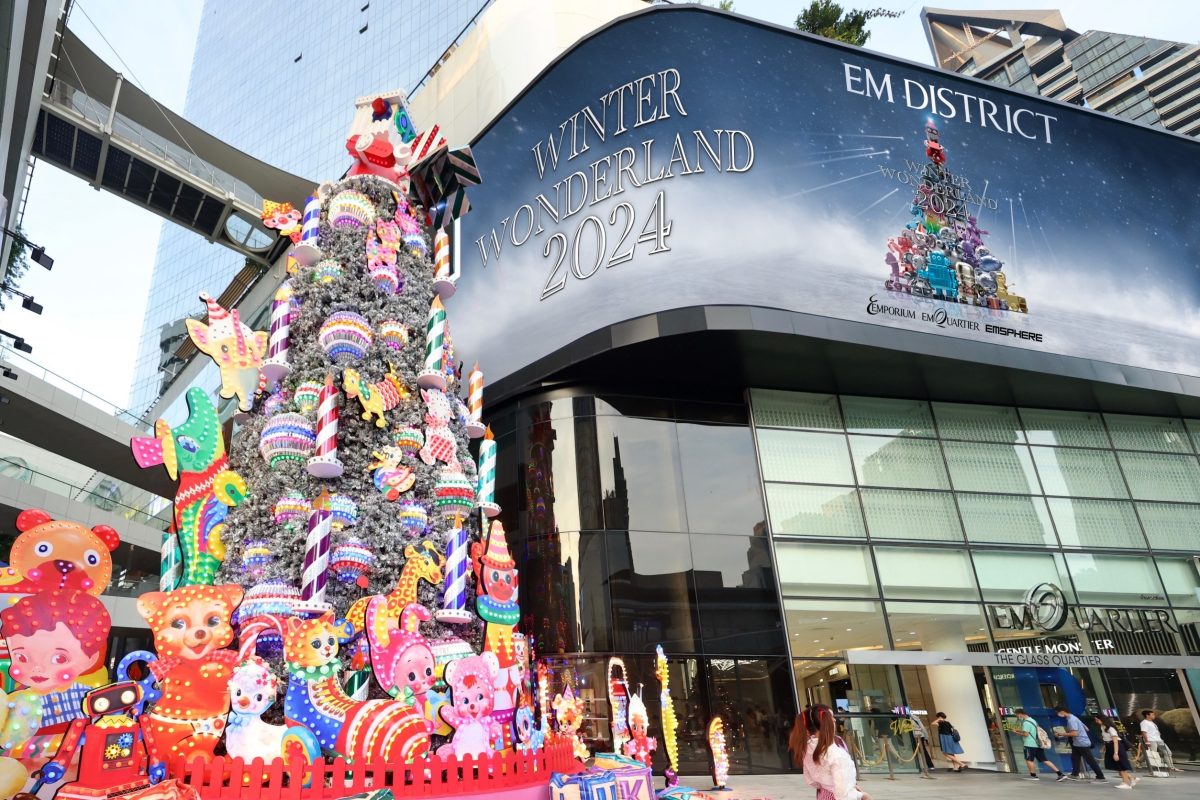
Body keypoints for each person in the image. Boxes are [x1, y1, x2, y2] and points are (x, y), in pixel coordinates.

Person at [790, 705, 871, 800]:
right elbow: (843, 796)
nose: (834, 720)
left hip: (823, 795)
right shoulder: (837, 755)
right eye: (831, 717)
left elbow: (811, 781)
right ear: (825, 722)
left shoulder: (806, 749)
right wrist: (862, 795)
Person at [1009, 708, 1065, 781]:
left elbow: (1026, 734)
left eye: (1017, 715)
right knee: (1045, 760)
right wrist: (1019, 730)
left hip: (1029, 744)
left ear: (1020, 714)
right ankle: (1060, 774)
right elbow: (1031, 731)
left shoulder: (1026, 722)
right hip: (1037, 744)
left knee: (1029, 760)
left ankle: (1033, 776)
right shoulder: (1032, 720)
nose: (1017, 717)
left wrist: (1016, 733)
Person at [1054, 706, 1105, 781]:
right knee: (1075, 758)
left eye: (1057, 712)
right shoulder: (1074, 718)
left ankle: (1100, 776)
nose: (1057, 714)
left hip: (1081, 743)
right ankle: (1075, 774)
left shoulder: (1071, 720)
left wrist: (1061, 734)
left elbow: (1075, 733)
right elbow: (1086, 728)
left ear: (1062, 711)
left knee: (1090, 760)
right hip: (1077, 743)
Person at [1094, 715, 1136, 789]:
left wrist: (1116, 753)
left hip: (1116, 747)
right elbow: (1107, 739)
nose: (1096, 721)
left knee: (1120, 765)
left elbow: (1115, 741)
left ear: (1102, 719)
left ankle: (1126, 783)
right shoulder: (1103, 727)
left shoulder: (1111, 728)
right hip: (1110, 746)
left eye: (1097, 720)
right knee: (1117, 765)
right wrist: (1104, 747)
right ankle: (1130, 779)